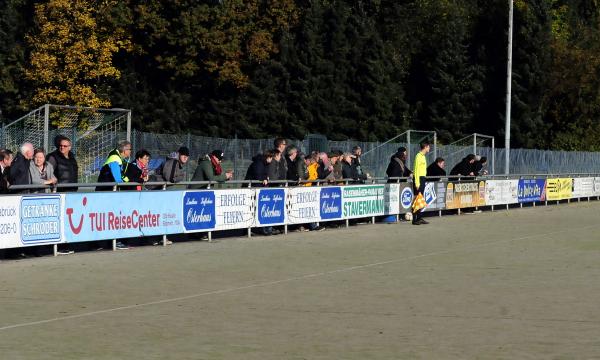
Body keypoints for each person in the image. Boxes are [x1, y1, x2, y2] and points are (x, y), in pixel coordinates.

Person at [412, 141, 430, 225]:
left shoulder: (423, 156)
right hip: (418, 179)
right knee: (417, 199)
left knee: (420, 199)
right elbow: (416, 170)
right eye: (428, 147)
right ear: (425, 147)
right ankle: (415, 219)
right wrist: (417, 182)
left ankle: (419, 217)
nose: (429, 148)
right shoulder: (418, 156)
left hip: (423, 178)